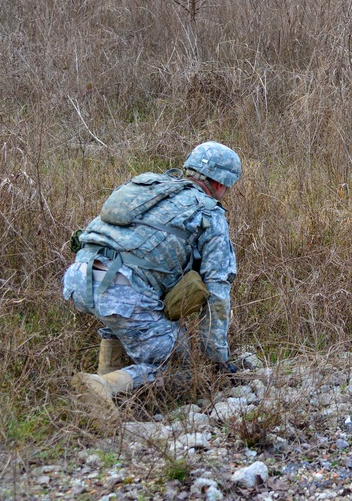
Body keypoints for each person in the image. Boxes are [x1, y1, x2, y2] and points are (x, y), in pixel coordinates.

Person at [63, 141, 240, 417]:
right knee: (178, 362)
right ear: (221, 184)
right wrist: (216, 358)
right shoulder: (209, 212)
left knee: (126, 312)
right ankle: (103, 386)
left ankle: (102, 399)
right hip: (120, 286)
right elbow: (217, 292)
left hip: (82, 274)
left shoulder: (155, 189)